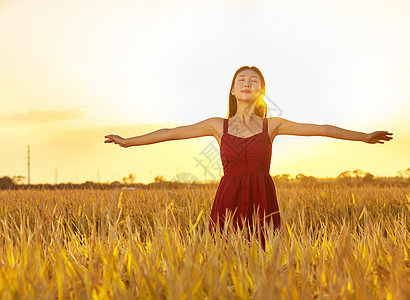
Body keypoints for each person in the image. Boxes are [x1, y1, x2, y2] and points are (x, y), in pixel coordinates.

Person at [104, 66, 393, 247]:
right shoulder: (218, 125)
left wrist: (364, 137)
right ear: (232, 90)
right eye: (241, 79)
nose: (246, 83)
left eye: (253, 80)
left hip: (262, 196)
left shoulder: (273, 125)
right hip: (227, 196)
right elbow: (170, 132)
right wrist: (129, 142)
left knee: (265, 255)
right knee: (224, 253)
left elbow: (320, 129)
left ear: (260, 90)